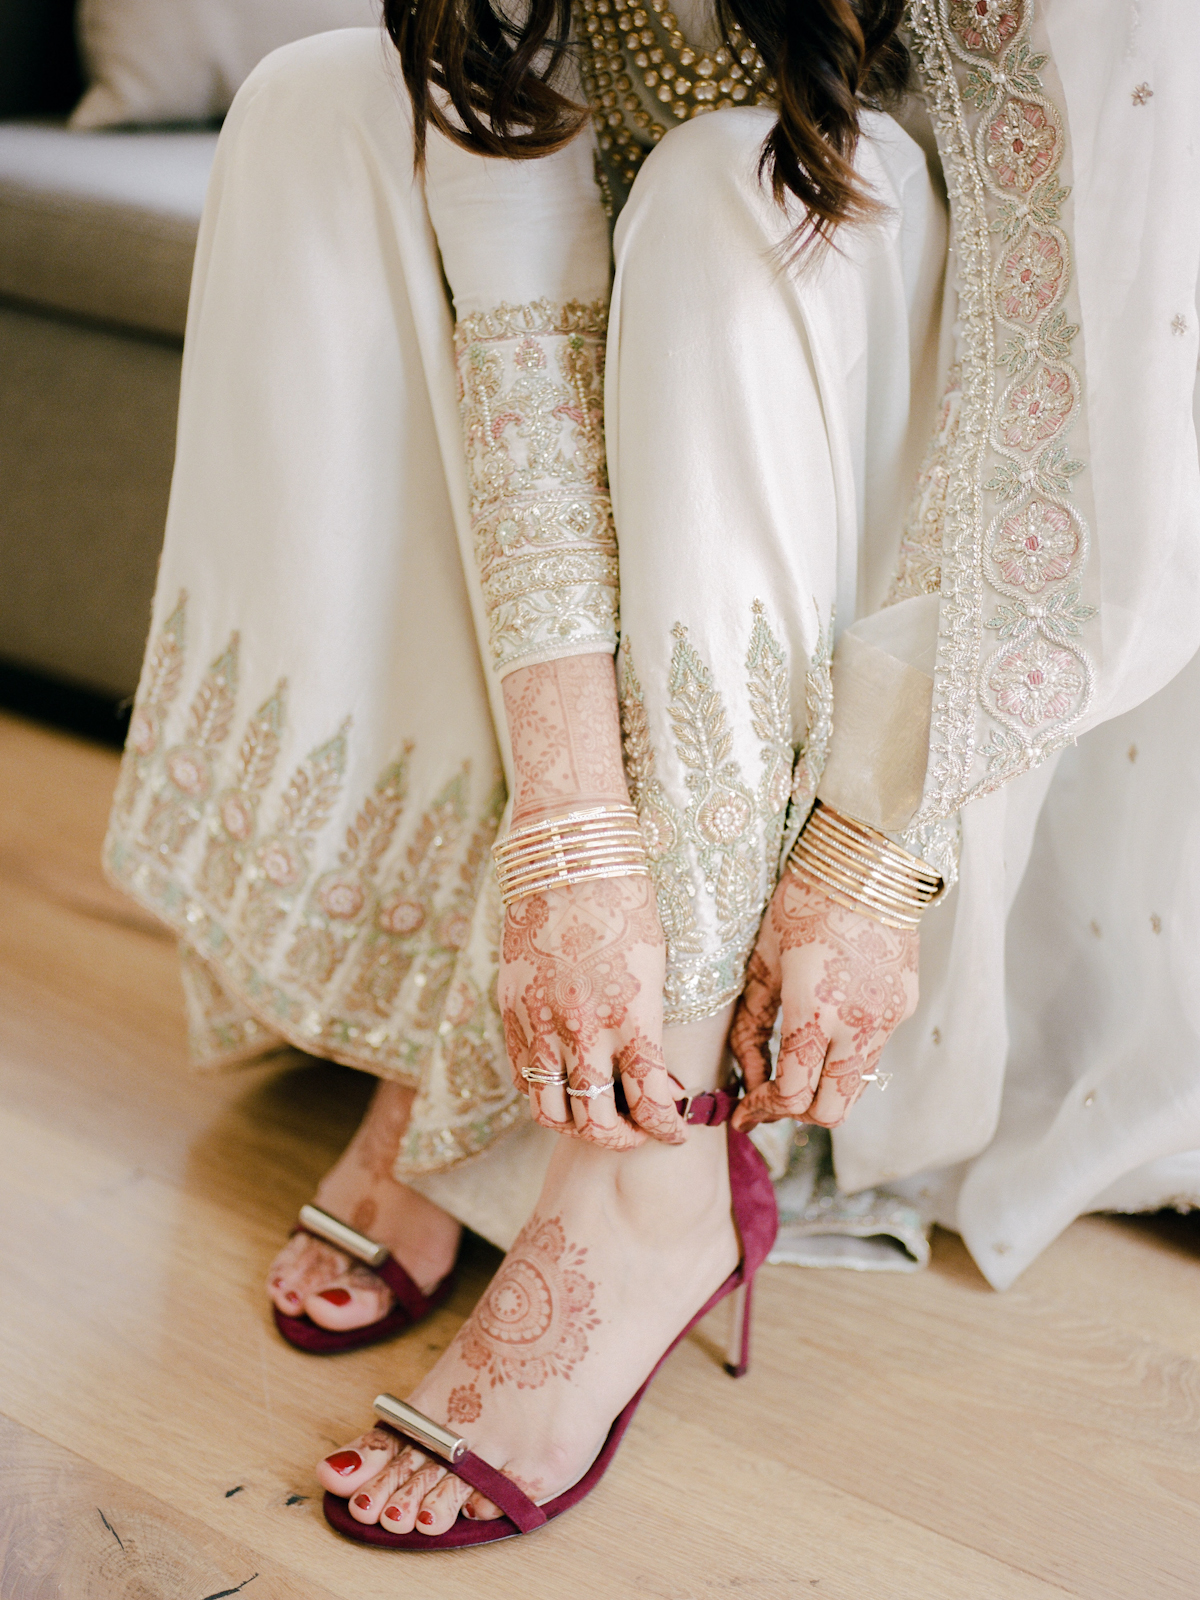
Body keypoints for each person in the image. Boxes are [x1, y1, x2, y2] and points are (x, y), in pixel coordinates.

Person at [104, 0, 1200, 1547]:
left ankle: (654, 1171)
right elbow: (519, 309)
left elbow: (1093, 419)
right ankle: (457, 1000)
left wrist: (866, 851)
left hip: (953, 480)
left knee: (733, 185)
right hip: (650, 359)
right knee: (324, 103)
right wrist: (568, 832)